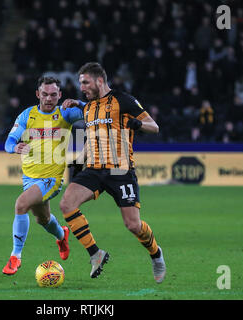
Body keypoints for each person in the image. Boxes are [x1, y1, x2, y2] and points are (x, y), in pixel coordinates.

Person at [60, 62, 166, 282]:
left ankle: (156, 254)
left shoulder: (123, 100)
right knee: (67, 204)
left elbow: (154, 126)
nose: (82, 87)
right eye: (81, 83)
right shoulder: (88, 107)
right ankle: (95, 254)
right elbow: (92, 123)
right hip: (95, 169)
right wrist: (76, 103)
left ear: (100, 80)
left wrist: (136, 124)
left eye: (85, 82)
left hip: (121, 171)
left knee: (133, 225)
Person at [2, 76, 84, 275]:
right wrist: (14, 147)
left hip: (52, 178)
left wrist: (80, 103)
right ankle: (61, 235)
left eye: (53, 95)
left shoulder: (66, 114)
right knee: (43, 219)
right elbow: (9, 142)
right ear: (38, 94)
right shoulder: (27, 115)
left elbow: (95, 110)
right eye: (45, 94)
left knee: (21, 204)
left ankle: (15, 256)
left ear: (60, 95)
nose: (49, 98)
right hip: (29, 177)